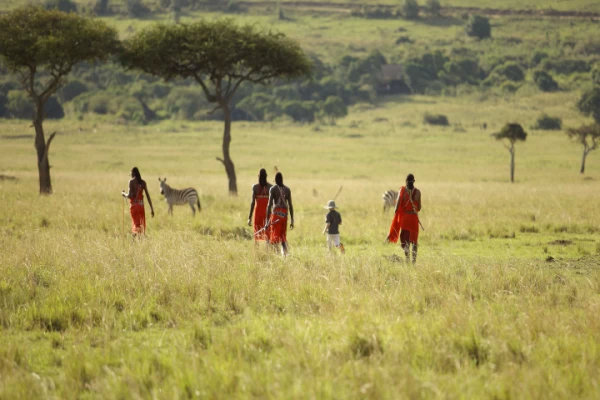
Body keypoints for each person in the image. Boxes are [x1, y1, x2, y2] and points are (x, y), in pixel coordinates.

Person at [387, 173, 421, 263]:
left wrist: (397, 216)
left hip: (405, 219)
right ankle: (413, 262)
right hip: (414, 219)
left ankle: (407, 260)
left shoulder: (402, 190)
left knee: (405, 240)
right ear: (414, 181)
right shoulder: (418, 192)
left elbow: (397, 206)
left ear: (405, 181)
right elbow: (419, 208)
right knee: (414, 241)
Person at [266, 172, 294, 256]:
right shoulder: (287, 189)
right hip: (284, 216)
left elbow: (269, 205)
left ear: (274, 180)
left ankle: (276, 254)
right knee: (282, 236)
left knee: (274, 236)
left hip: (276, 216)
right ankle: (285, 255)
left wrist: (267, 221)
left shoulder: (273, 189)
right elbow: (290, 205)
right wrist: (292, 220)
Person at [122, 167, 154, 236]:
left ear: (133, 173)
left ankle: (134, 240)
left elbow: (130, 195)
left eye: (130, 174)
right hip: (141, 207)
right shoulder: (143, 182)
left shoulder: (131, 182)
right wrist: (152, 209)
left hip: (134, 207)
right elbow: (148, 196)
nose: (130, 175)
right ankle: (140, 240)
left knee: (136, 225)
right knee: (141, 225)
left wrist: (123, 194)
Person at [248, 168, 272, 242]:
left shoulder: (255, 187)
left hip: (258, 212)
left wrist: (249, 217)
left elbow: (252, 202)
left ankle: (257, 250)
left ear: (258, 176)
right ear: (266, 176)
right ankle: (267, 249)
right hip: (267, 212)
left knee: (257, 232)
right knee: (268, 231)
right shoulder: (271, 187)